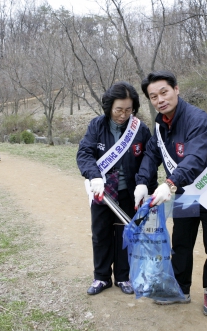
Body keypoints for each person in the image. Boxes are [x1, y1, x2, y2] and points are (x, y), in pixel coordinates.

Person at [134, 70, 207, 317]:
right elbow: (151, 155)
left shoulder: (197, 119)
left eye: (164, 92)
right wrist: (142, 184)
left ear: (176, 89)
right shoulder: (159, 124)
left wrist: (169, 183)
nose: (160, 99)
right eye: (153, 96)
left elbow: (195, 158)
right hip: (185, 194)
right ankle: (180, 288)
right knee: (181, 243)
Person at [76, 81, 157, 296]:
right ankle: (101, 277)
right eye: (118, 109)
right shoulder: (96, 126)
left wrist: (146, 186)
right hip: (102, 191)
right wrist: (94, 176)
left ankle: (123, 276)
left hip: (129, 192)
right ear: (109, 107)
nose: (123, 115)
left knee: (126, 234)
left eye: (128, 110)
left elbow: (149, 160)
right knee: (101, 233)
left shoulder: (140, 129)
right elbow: (84, 154)